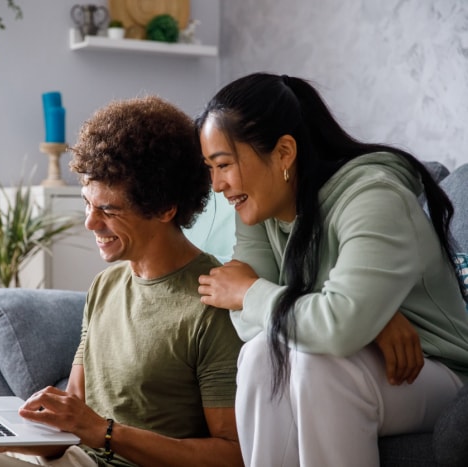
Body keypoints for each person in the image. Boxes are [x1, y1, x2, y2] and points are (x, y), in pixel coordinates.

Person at [0, 95, 245, 466]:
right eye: (87, 203)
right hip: (70, 459)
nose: (90, 223)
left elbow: (232, 455)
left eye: (108, 210)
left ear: (166, 208)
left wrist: (105, 433)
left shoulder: (211, 301)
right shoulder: (107, 285)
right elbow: (70, 423)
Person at [195, 72, 468, 466]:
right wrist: (364, 324)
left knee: (320, 366)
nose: (217, 185)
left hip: (438, 371)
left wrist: (346, 321)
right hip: (360, 362)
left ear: (285, 152)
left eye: (223, 164)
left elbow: (327, 326)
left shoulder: (373, 195)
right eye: (210, 168)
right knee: (260, 355)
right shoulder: (258, 209)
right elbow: (252, 325)